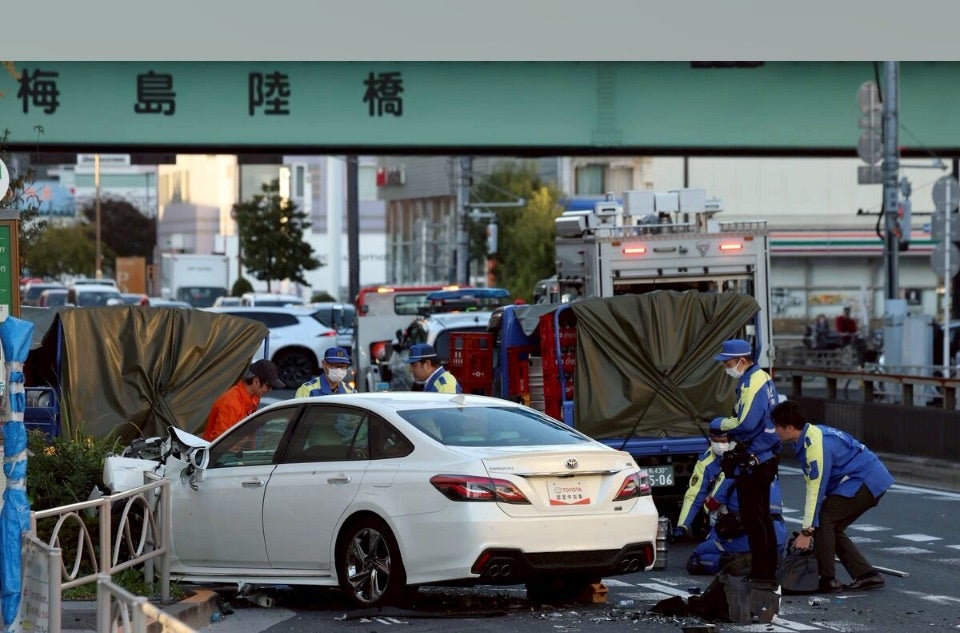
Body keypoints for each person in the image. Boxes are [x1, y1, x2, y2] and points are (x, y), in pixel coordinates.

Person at [771, 400, 893, 593]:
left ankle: (827, 579)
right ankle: (867, 575)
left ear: (789, 427)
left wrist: (806, 532)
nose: (774, 430)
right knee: (830, 527)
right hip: (867, 477)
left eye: (777, 426)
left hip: (864, 480)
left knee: (824, 520)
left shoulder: (814, 445)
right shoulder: (810, 435)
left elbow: (815, 489)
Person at [711, 338, 781, 591]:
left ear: (742, 360)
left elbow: (746, 423)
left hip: (756, 459)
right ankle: (767, 570)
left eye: (728, 362)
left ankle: (762, 573)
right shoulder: (763, 379)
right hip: (765, 457)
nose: (726, 367)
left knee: (754, 519)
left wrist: (719, 424)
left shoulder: (753, 382)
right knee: (762, 518)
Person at [678, 420, 788, 576]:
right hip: (778, 535)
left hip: (744, 532)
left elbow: (711, 504)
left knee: (698, 557)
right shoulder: (769, 468)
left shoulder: (733, 472)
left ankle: (735, 561)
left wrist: (684, 525)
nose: (720, 445)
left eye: (723, 440)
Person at [202, 359, 285, 441]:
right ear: (256, 381)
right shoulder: (230, 403)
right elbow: (221, 442)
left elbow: (250, 431)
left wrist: (250, 444)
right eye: (268, 386)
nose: (270, 390)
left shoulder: (254, 397)